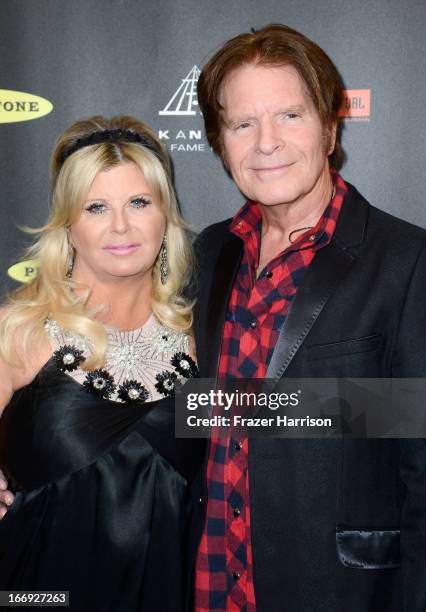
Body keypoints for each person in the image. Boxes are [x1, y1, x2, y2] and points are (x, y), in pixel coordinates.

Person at [190, 24, 426, 612]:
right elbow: (183, 412)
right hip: (211, 585)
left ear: (330, 127)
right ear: (220, 142)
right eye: (242, 124)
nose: (266, 143)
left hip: (343, 592)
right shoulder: (208, 254)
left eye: (289, 116)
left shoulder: (409, 262)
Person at [0, 115, 204, 611]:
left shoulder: (200, 339)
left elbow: (293, 416)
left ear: (164, 216)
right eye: (96, 207)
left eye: (138, 202)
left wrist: (403, 409)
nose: (120, 225)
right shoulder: (20, 330)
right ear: (68, 226)